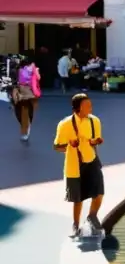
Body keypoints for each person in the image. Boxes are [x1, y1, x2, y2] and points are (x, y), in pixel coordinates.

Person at [54, 93, 104, 237]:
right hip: (75, 165)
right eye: (87, 105)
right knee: (78, 198)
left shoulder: (95, 121)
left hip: (92, 161)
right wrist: (70, 145)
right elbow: (57, 146)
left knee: (99, 193)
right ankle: (75, 225)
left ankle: (92, 216)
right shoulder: (65, 125)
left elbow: (93, 141)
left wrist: (95, 142)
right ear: (78, 108)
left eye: (90, 104)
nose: (90, 107)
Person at [12, 58, 42, 142]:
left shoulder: (29, 70)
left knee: (24, 112)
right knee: (22, 112)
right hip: (24, 93)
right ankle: (26, 129)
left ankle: (26, 131)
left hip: (27, 93)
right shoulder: (20, 70)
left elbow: (37, 79)